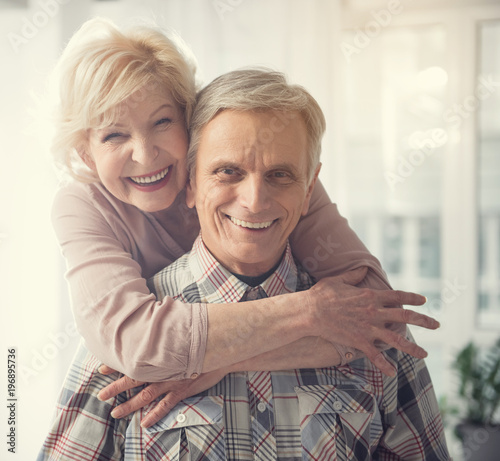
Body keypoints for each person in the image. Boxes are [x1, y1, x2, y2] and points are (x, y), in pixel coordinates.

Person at [37, 17, 439, 459]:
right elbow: (139, 345)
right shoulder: (109, 330)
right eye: (114, 134)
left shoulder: (286, 190)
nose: (146, 153)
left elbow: (377, 316)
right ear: (85, 153)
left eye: (162, 122)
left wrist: (215, 362)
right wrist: (308, 313)